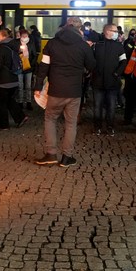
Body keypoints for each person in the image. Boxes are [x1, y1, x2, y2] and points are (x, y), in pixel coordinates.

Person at [33, 16, 96, 167]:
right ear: (79, 28)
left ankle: (50, 154)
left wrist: (37, 86)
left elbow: (43, 67)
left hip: (55, 89)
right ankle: (67, 157)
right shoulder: (83, 45)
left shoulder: (52, 43)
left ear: (66, 26)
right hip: (74, 91)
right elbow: (92, 66)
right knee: (71, 123)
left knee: (50, 119)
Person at [91, 24, 128, 136]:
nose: (117, 33)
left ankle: (110, 127)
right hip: (98, 82)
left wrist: (117, 73)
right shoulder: (96, 46)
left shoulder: (119, 46)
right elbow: (90, 60)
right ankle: (97, 127)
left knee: (111, 107)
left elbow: (123, 62)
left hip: (112, 82)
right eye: (115, 31)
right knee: (98, 107)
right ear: (107, 31)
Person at [0, 28, 28, 131]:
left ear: (3, 36)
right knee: (9, 100)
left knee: (2, 102)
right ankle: (20, 117)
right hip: (14, 78)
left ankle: (3, 125)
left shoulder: (2, 49)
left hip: (3, 81)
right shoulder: (15, 46)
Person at [17, 28, 37, 110]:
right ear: (20, 36)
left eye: (26, 35)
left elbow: (34, 55)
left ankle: (29, 102)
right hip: (20, 67)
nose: (24, 37)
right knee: (20, 85)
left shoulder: (31, 43)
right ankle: (20, 102)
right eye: (23, 35)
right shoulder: (17, 43)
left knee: (28, 86)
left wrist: (30, 65)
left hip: (29, 67)